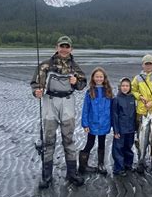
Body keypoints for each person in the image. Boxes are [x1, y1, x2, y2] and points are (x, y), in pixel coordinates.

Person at [30, 35, 87, 187]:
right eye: (61, 46)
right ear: (57, 47)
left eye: (67, 46)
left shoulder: (75, 67)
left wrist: (77, 82)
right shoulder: (45, 65)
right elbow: (35, 84)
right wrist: (37, 92)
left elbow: (83, 84)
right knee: (48, 140)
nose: (64, 49)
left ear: (71, 49)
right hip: (49, 103)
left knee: (68, 139)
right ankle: (47, 176)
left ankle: (72, 174)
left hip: (68, 103)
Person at [79, 67, 113, 175]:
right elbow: (85, 109)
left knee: (102, 144)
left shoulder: (108, 91)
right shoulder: (90, 92)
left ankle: (101, 164)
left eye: (101, 77)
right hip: (92, 123)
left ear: (104, 78)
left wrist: (112, 123)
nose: (99, 78)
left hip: (104, 123)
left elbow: (112, 109)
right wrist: (85, 124)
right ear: (93, 78)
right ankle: (83, 165)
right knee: (90, 143)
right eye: (97, 76)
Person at [111, 77, 136, 177]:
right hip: (120, 129)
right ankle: (118, 168)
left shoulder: (132, 98)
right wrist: (116, 131)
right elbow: (114, 115)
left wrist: (136, 127)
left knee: (128, 147)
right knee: (118, 148)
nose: (125, 88)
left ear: (130, 87)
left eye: (127, 86)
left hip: (130, 128)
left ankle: (128, 164)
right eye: (123, 86)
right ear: (120, 87)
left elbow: (135, 113)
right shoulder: (116, 99)